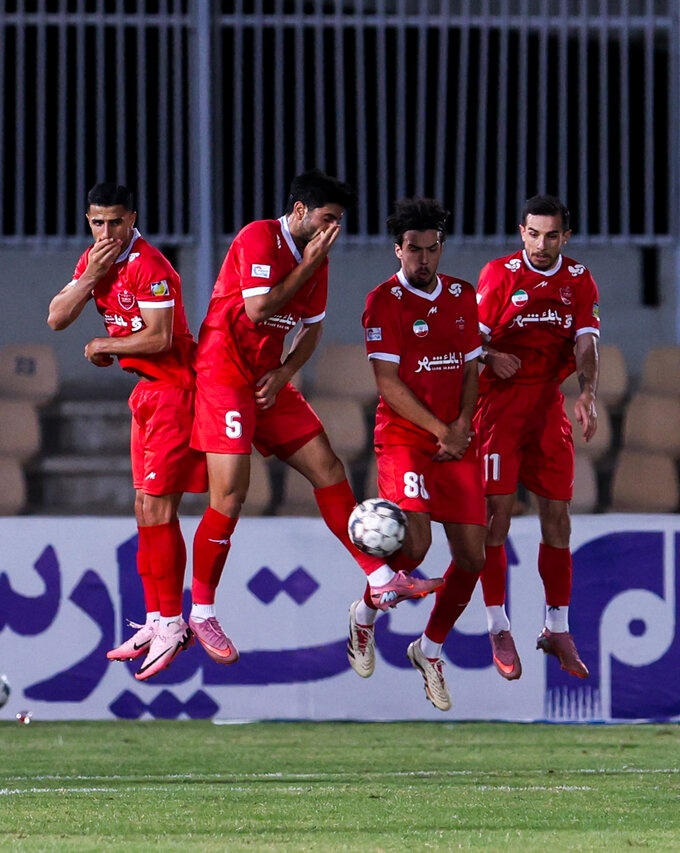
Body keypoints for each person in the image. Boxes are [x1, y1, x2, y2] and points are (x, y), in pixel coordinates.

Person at [188, 170, 441, 665]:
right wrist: (307, 264)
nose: (333, 231)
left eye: (339, 221)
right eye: (328, 219)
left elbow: (310, 329)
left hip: (266, 379)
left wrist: (285, 373)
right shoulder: (260, 237)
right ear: (300, 211)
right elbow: (259, 308)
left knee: (328, 467)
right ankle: (201, 611)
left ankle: (381, 579)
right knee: (233, 495)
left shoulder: (316, 262)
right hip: (223, 376)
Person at [47, 183, 207, 680]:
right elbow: (56, 318)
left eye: (116, 222)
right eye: (98, 222)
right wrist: (89, 276)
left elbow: (160, 337)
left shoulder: (149, 265)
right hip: (147, 393)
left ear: (132, 219)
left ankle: (172, 623)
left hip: (175, 390)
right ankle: (158, 617)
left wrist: (105, 343)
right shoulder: (94, 262)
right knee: (144, 507)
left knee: (160, 507)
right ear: (89, 221)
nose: (107, 232)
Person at [349, 198, 486, 712]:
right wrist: (441, 430)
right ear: (397, 250)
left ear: (440, 248)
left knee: (473, 557)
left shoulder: (461, 295)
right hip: (407, 438)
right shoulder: (383, 301)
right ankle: (365, 614)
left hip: (455, 437)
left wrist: (464, 426)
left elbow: (472, 369)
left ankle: (428, 650)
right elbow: (388, 383)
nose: (423, 259)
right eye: (413, 250)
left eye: (431, 249)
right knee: (417, 547)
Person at [473, 195, 599, 680]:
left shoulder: (578, 280)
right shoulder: (499, 274)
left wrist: (587, 392)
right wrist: (488, 356)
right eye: (533, 233)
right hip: (499, 406)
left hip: (546, 402)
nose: (541, 244)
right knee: (495, 520)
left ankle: (557, 627)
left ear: (564, 237)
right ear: (521, 231)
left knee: (559, 519)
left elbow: (587, 339)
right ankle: (498, 624)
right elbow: (469, 338)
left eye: (551, 235)